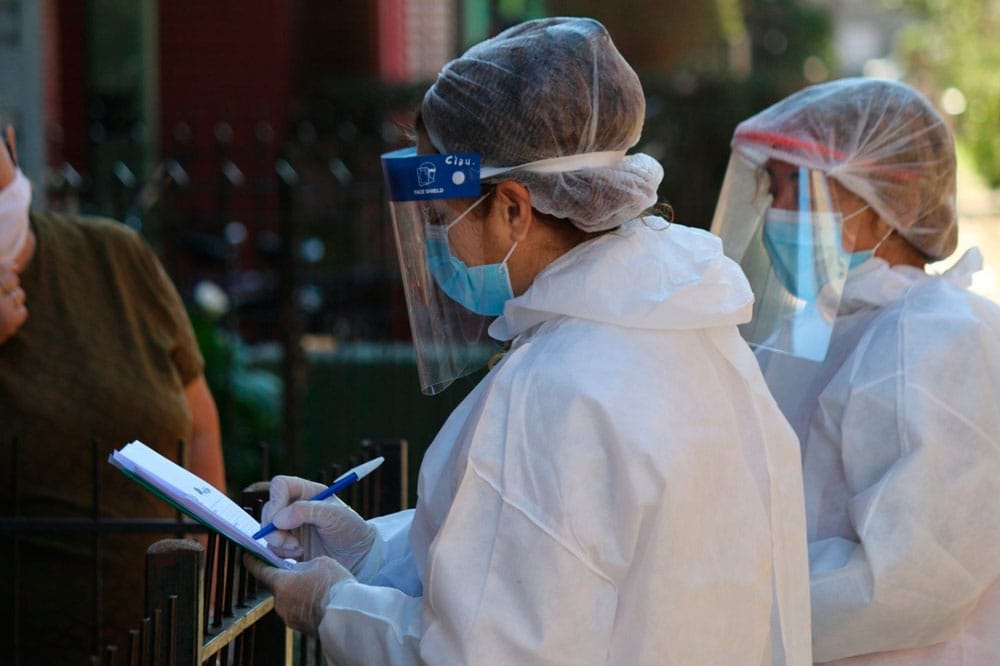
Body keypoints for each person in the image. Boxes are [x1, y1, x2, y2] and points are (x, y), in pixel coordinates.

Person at [245, 17, 811, 665]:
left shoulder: (556, 386)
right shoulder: (690, 333)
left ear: (513, 208)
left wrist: (335, 607)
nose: (437, 243)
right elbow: (551, 563)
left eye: (440, 218)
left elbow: (481, 652)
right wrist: (373, 552)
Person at [711, 77, 1000, 664]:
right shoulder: (817, 335)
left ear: (897, 198)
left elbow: (910, 580)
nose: (778, 212)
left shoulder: (938, 336)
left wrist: (721, 606)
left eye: (801, 185)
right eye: (773, 188)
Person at [0, 123, 226, 664]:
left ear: (9, 140)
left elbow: (199, 427)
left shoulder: (114, 256)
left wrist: (211, 605)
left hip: (166, 644)